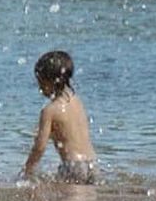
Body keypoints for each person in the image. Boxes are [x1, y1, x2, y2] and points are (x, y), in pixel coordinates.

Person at [20, 50, 99, 185]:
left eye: (40, 82)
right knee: (86, 200)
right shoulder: (77, 101)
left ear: (51, 81)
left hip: (72, 166)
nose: (39, 89)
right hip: (92, 164)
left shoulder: (49, 111)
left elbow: (39, 147)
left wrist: (27, 170)